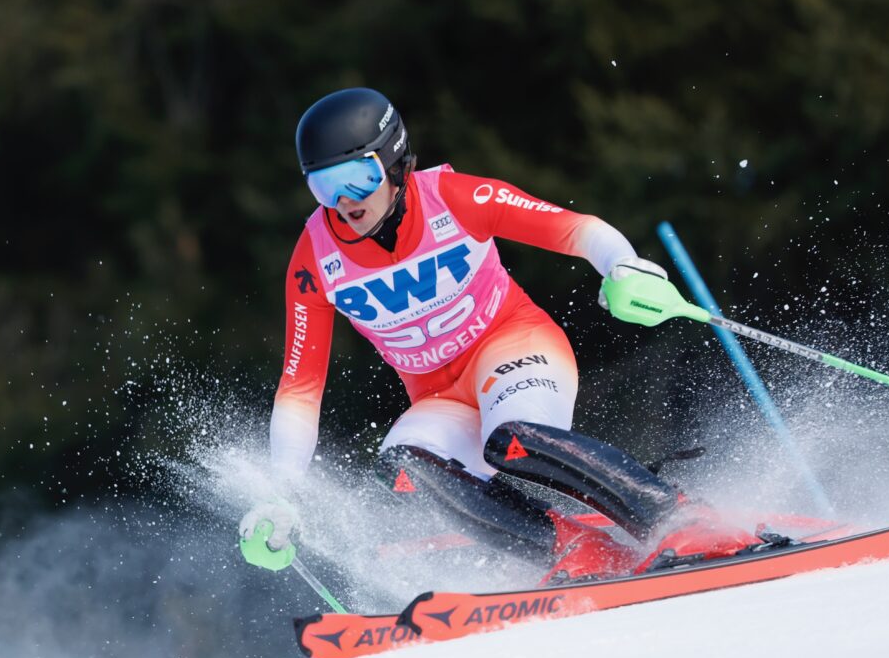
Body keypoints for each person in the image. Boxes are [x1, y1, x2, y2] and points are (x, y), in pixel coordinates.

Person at [238, 87, 731, 577]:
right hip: (439, 397)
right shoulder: (315, 259)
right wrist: (283, 493)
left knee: (511, 440)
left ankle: (678, 515)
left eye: (358, 178)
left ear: (392, 164)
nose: (345, 202)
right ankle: (576, 549)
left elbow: (575, 228)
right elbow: (300, 386)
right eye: (325, 187)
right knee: (404, 468)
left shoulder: (452, 197)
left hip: (513, 345)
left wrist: (622, 266)